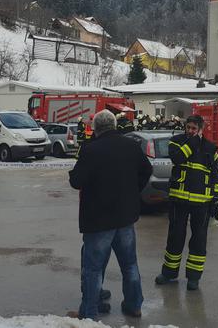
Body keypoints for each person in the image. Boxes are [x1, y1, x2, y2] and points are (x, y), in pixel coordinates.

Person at [68, 109, 153, 320]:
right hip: (125, 217)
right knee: (130, 265)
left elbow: (76, 181)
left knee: (93, 269)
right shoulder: (132, 146)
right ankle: (134, 305)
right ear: (114, 126)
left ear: (95, 128)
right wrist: (134, 191)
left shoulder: (91, 150)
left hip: (99, 220)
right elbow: (147, 170)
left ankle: (89, 313)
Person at [155, 114, 218, 291]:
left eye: (194, 128)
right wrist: (192, 142)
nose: (190, 131)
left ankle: (194, 277)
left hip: (203, 202)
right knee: (175, 237)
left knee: (199, 240)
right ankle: (169, 273)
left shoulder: (211, 148)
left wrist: (216, 198)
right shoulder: (176, 141)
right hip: (179, 199)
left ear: (201, 129)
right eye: (188, 128)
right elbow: (177, 159)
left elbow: (214, 175)